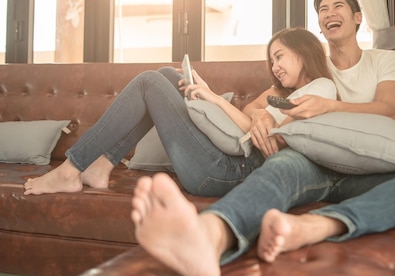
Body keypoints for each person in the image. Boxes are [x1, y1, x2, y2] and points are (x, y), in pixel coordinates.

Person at [130, 0, 395, 276]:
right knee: (280, 164)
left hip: (370, 167)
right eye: (322, 10)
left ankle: (319, 226)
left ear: (357, 18)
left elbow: (389, 110)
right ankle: (208, 238)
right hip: (311, 163)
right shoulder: (310, 71)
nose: (329, 13)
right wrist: (262, 114)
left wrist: (329, 108)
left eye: (338, 6)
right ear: (320, 27)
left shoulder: (384, 60)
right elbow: (257, 109)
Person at [24, 27, 336, 196]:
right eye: (271, 61)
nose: (274, 67)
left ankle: (70, 169)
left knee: (149, 82)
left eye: (279, 57)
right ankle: (103, 165)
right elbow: (252, 119)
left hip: (228, 174)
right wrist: (255, 114)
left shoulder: (321, 89)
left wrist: (213, 97)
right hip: (224, 158)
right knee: (168, 74)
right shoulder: (279, 92)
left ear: (304, 52)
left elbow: (275, 141)